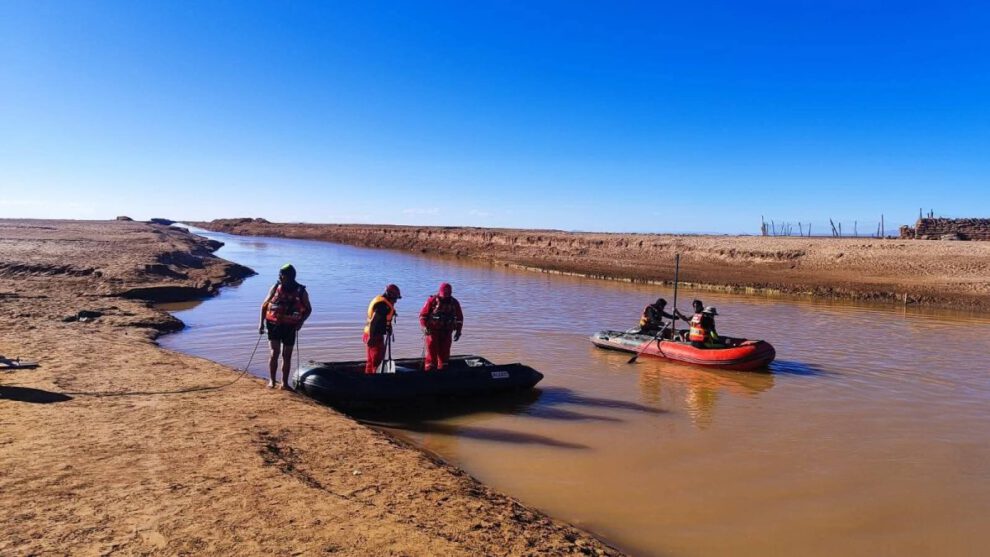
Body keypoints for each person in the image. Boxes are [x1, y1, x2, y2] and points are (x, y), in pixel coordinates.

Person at [259, 264, 312, 389]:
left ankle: (284, 383)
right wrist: (261, 324)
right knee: (274, 353)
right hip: (273, 324)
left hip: (290, 327)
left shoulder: (301, 291)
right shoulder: (275, 287)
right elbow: (264, 305)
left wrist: (301, 322)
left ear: (288, 276)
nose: (279, 277)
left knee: (286, 355)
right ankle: (272, 381)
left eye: (281, 275)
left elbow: (308, 309)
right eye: (279, 274)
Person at [418, 282, 464, 371]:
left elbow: (459, 318)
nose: (445, 296)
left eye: (447, 294)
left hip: (447, 332)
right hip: (432, 332)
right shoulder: (432, 301)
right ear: (440, 292)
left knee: (444, 355)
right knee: (431, 354)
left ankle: (443, 371)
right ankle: (430, 372)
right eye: (444, 294)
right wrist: (424, 327)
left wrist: (458, 331)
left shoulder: (454, 303)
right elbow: (422, 316)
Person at [363, 284, 401, 374]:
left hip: (369, 334)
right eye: (395, 298)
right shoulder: (383, 306)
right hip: (374, 336)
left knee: (370, 360)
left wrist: (389, 327)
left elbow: (382, 320)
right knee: (377, 360)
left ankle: (368, 376)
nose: (395, 301)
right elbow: (374, 322)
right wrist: (371, 338)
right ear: (390, 295)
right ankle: (377, 381)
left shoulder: (381, 302)